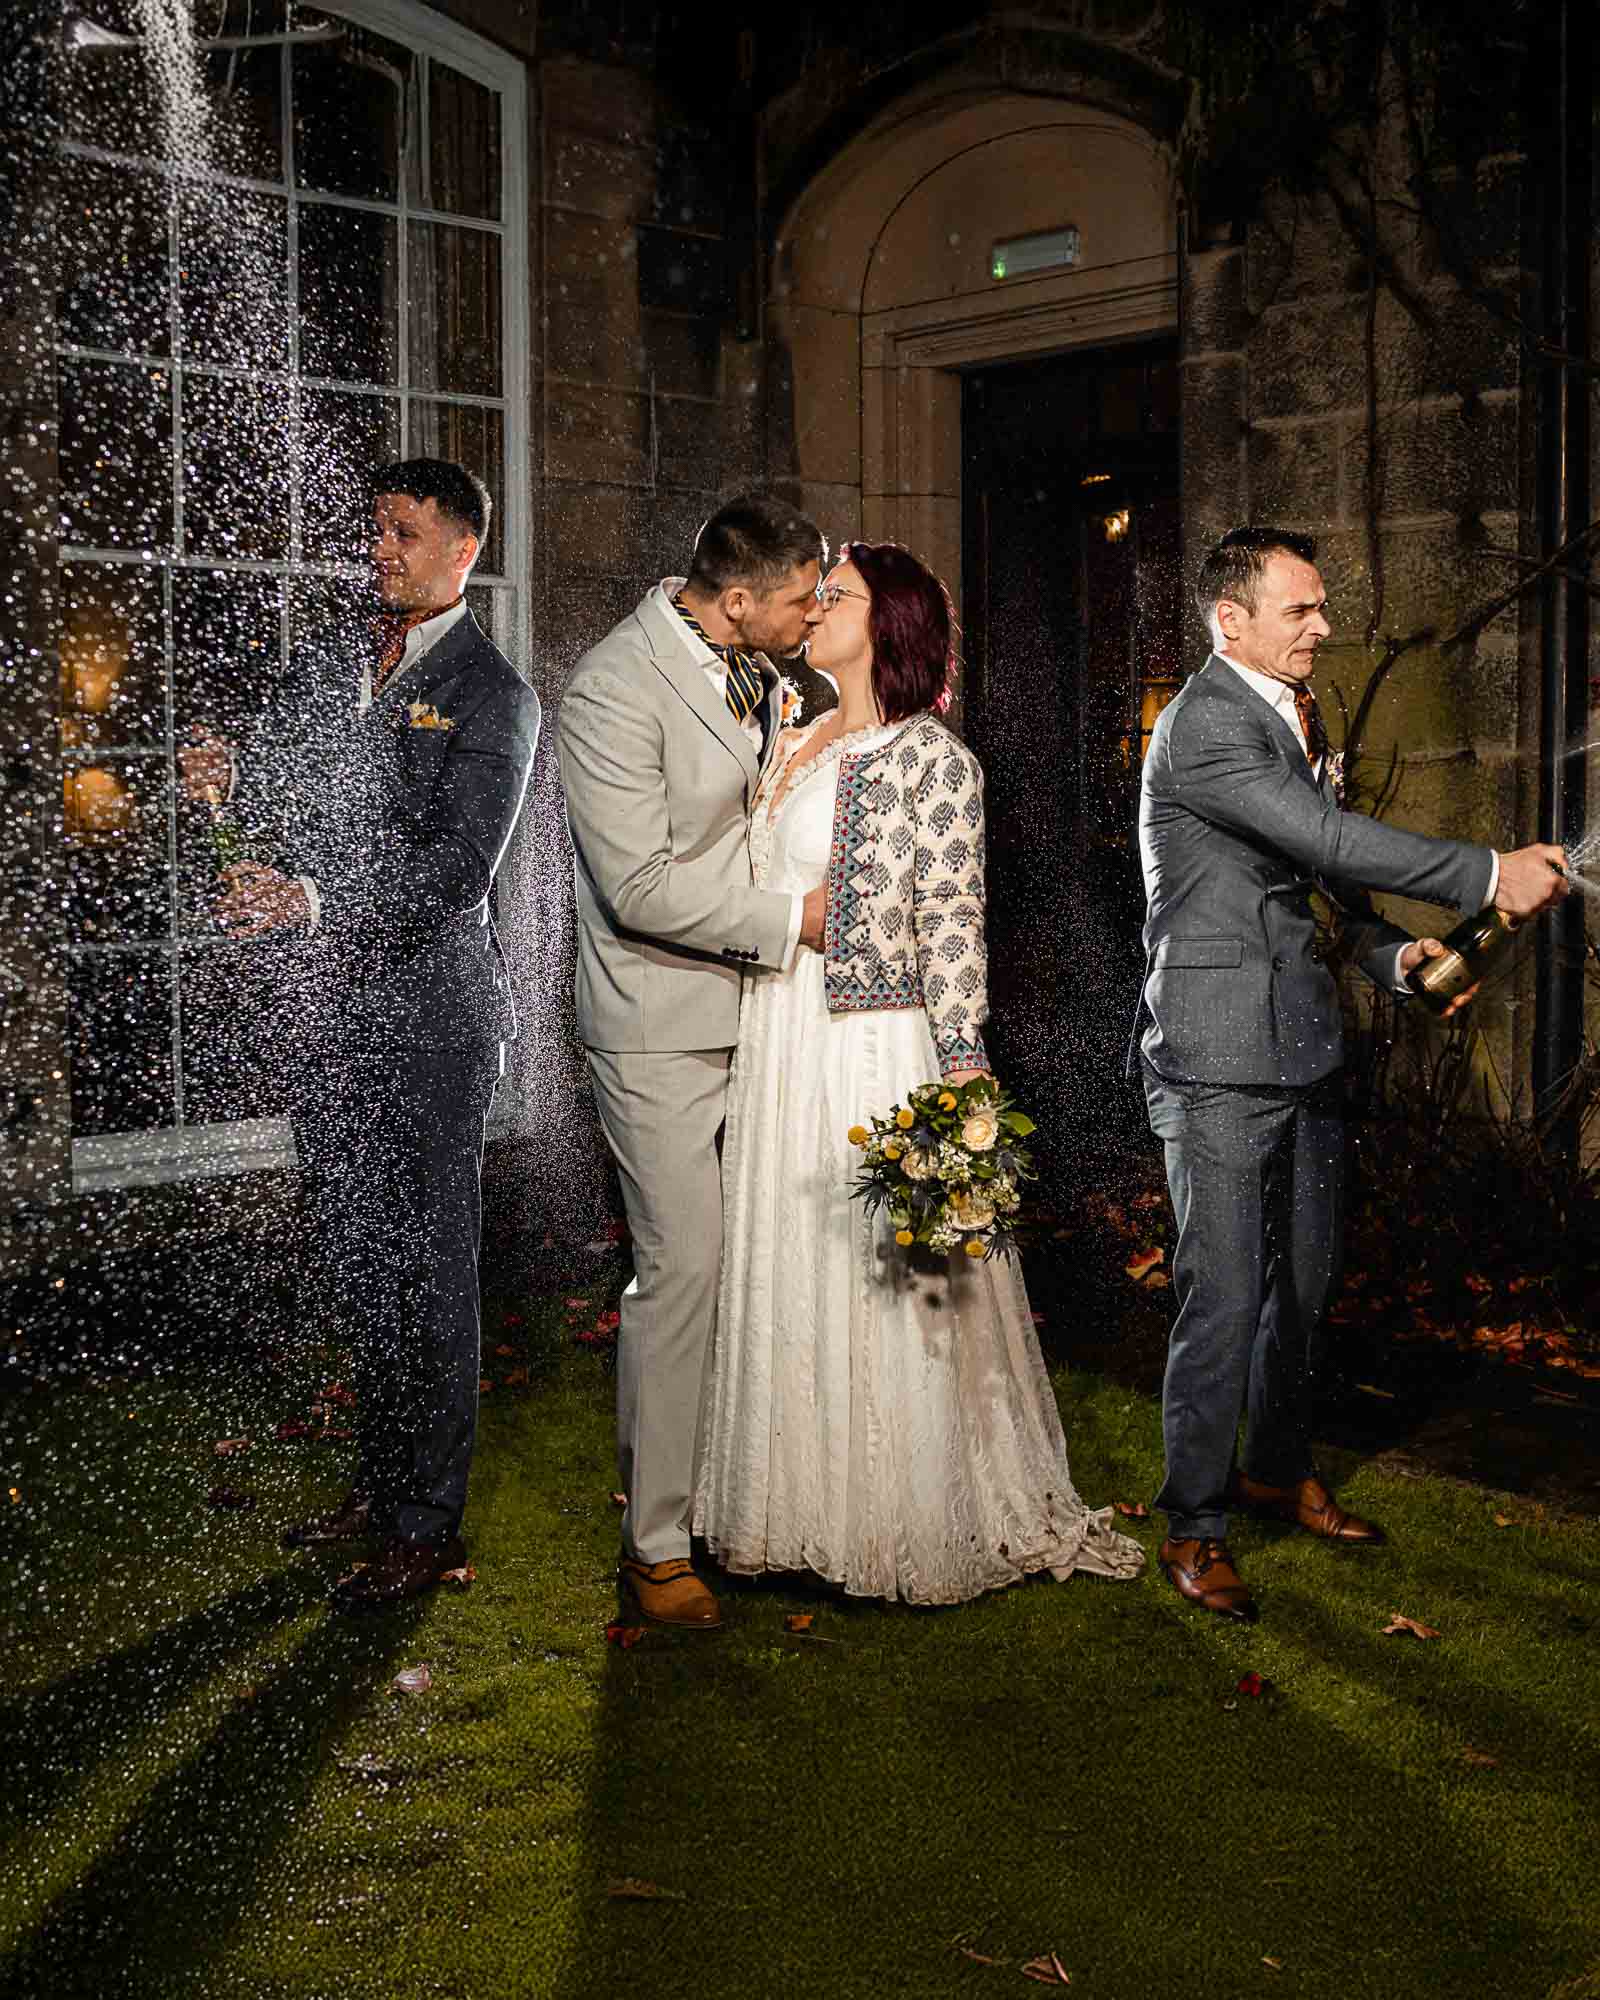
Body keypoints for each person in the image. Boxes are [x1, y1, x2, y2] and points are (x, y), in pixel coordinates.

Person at [1131, 525, 1568, 1622]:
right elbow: (1326, 838)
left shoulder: (1289, 710)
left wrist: (1392, 955)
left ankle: (1276, 1470)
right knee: (1224, 1295)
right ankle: (1194, 1523)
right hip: (1218, 1054)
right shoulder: (1206, 723)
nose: (1323, 626)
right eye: (1301, 609)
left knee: (1306, 1284)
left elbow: (1308, 876)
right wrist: (1489, 872)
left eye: (1321, 606)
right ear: (1230, 620)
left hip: (1300, 1043)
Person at [692, 542, 1144, 1604]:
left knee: (874, 1275)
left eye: (836, 594)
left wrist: (964, 1079)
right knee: (784, 1258)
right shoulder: (792, 734)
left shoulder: (932, 760)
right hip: (779, 1035)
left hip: (869, 1042)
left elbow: (949, 925)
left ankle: (894, 1516)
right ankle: (789, 1510)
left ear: (887, 622)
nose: (813, 608)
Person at [181, 458, 540, 1607]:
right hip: (331, 1020)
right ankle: (381, 1485)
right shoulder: (331, 661)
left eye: (403, 532)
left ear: (463, 551)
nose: (379, 548)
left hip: (434, 1027)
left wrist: (312, 900)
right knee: (358, 1262)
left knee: (429, 1274)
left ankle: (425, 1523)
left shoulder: (494, 694)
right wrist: (226, 789)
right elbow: (285, 805)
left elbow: (457, 870)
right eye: (375, 528)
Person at [556, 494, 829, 1630]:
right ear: (738, 600)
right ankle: (657, 1543)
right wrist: (795, 920)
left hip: (765, 1013)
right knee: (684, 1268)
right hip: (657, 1022)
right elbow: (639, 886)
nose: (817, 612)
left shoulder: (764, 667)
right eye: (802, 598)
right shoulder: (611, 688)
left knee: (762, 1259)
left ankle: (747, 1491)